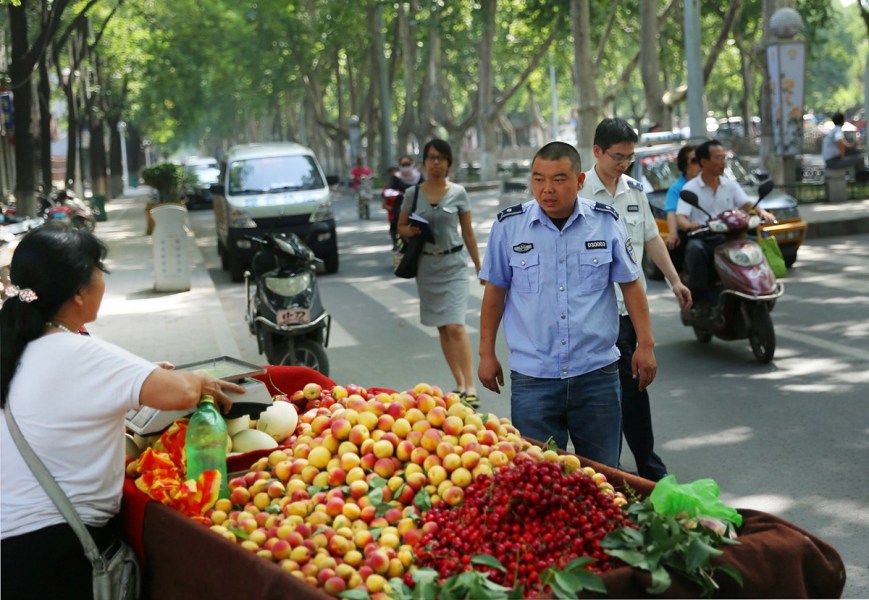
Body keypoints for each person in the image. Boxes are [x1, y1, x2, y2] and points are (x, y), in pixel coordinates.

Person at [0, 224, 244, 599]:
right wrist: (199, 379)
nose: (103, 280)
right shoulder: (76, 353)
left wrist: (141, 379)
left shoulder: (16, 348)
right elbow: (180, 393)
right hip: (56, 554)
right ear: (79, 291)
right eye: (100, 269)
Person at [478, 141, 657, 467]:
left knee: (602, 478)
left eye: (559, 179)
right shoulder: (509, 226)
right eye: (538, 179)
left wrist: (646, 344)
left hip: (596, 375)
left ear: (579, 181)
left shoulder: (605, 221)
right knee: (539, 481)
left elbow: (631, 285)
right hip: (534, 379)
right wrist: (486, 353)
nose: (547, 189)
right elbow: (494, 294)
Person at [579, 118, 691, 480]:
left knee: (635, 389)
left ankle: (647, 467)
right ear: (597, 151)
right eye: (617, 156)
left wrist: (675, 281)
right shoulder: (577, 192)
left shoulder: (634, 190)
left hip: (628, 312)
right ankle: (603, 467)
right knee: (597, 396)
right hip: (590, 315)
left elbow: (651, 239)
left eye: (629, 156)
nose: (623, 163)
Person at [397, 139, 482, 406]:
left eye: (441, 158)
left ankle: (471, 387)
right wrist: (408, 231)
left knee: (457, 325)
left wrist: (480, 266)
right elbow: (400, 225)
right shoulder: (413, 194)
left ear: (448, 163)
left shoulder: (459, 193)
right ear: (424, 161)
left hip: (454, 265)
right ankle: (458, 383)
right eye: (432, 158)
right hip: (427, 267)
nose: (436, 163)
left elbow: (467, 232)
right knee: (443, 328)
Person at [676, 140, 774, 309]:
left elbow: (747, 204)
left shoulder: (730, 185)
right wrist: (690, 225)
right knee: (695, 250)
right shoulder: (690, 188)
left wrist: (763, 212)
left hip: (732, 236)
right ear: (704, 162)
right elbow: (681, 217)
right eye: (719, 158)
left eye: (724, 157)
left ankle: (762, 285)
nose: (723, 161)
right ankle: (700, 298)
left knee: (754, 245)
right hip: (706, 238)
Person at [663, 144, 701, 270]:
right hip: (692, 230)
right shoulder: (677, 188)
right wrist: (673, 233)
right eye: (694, 160)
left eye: (702, 159)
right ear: (685, 164)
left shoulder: (714, 182)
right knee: (674, 246)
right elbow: (672, 212)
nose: (700, 164)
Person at [385, 155, 425, 247]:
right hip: (400, 206)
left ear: (412, 164)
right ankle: (397, 243)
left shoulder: (419, 177)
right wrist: (396, 193)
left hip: (417, 207)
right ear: (399, 166)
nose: (406, 167)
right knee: (396, 223)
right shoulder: (396, 178)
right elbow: (388, 191)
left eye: (408, 164)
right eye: (403, 165)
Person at [821, 112, 867, 177]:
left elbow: (846, 146)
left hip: (830, 160)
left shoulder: (834, 130)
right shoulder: (837, 130)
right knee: (860, 158)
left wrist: (853, 145)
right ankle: (861, 178)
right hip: (832, 162)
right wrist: (842, 157)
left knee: (855, 152)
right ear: (843, 121)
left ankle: (859, 175)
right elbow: (839, 141)